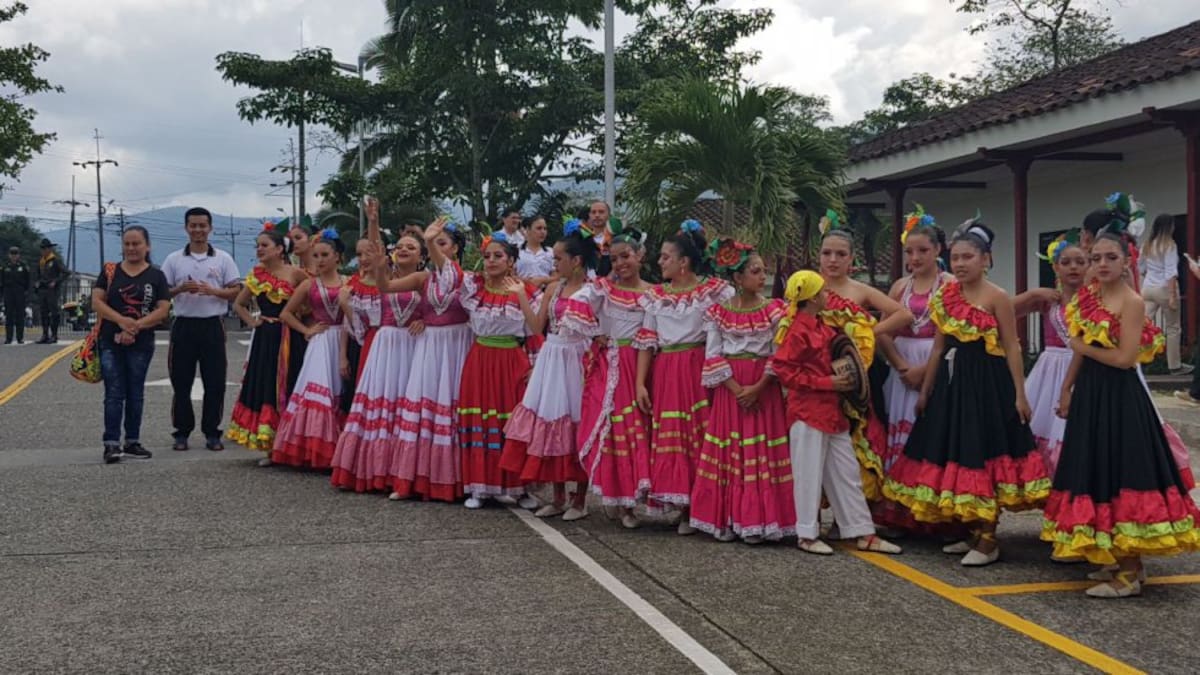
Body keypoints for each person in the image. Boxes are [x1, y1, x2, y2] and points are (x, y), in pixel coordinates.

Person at [1044, 232, 1200, 598]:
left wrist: (1080, 346)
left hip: (1120, 395)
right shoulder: (1089, 295)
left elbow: (1124, 358)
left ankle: (1130, 571)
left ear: (1126, 261)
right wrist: (1067, 387)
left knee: (1121, 469)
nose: (1101, 263)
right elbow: (1081, 350)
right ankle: (1122, 560)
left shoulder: (1132, 301)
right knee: (1098, 469)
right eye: (1095, 257)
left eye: (1110, 257)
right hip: (1091, 394)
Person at [883, 219, 1047, 567]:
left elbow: (1013, 347)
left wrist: (1021, 393)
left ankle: (989, 537)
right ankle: (972, 529)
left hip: (989, 384)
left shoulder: (997, 296)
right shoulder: (947, 295)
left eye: (968, 257)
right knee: (958, 451)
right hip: (952, 384)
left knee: (984, 452)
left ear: (985, 259)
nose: (960, 264)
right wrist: (927, 390)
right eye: (956, 258)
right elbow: (939, 346)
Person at [771, 271, 901, 556]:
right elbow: (783, 370)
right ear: (814, 298)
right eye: (823, 292)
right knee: (807, 474)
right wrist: (825, 382)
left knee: (847, 472)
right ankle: (806, 534)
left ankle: (862, 532)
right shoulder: (796, 330)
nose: (828, 296)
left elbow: (843, 350)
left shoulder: (822, 326)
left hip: (832, 411)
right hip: (807, 412)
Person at [689, 240, 794, 544]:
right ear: (737, 277)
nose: (763, 277)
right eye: (755, 271)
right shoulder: (718, 313)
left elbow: (779, 353)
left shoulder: (775, 310)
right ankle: (728, 518)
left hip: (763, 386)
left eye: (763, 271)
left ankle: (759, 520)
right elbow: (713, 354)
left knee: (761, 451)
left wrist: (758, 386)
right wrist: (737, 390)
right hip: (731, 388)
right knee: (731, 452)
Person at [634, 220, 734, 533]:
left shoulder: (713, 292)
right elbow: (647, 343)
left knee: (701, 435)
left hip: (697, 366)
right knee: (673, 434)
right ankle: (684, 505)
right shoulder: (656, 297)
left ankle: (704, 506)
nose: (660, 262)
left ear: (684, 262)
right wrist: (640, 383)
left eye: (665, 257)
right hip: (667, 371)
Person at [500, 221, 600, 520]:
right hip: (552, 356)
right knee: (550, 422)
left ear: (576, 261)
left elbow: (599, 331)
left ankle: (580, 499)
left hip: (578, 359)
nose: (553, 263)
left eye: (558, 259)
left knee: (575, 423)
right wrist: (520, 294)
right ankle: (558, 497)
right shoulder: (554, 288)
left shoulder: (594, 291)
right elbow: (536, 326)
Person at [815, 211, 913, 512]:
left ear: (851, 259)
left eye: (840, 254)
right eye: (827, 253)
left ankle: (854, 512)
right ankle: (813, 511)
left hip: (854, 375)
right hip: (816, 376)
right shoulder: (809, 287)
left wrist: (867, 332)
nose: (833, 259)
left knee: (855, 441)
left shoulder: (860, 290)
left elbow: (903, 314)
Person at [331, 218, 426, 492]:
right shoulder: (384, 276)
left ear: (421, 255)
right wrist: (373, 221)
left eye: (412, 247)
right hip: (385, 345)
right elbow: (375, 250)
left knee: (407, 407)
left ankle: (404, 473)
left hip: (413, 345)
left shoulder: (426, 280)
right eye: (401, 246)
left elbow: (443, 310)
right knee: (381, 405)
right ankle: (375, 471)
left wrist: (427, 322)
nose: (405, 249)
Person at [384, 217, 472, 502]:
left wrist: (430, 240)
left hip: (456, 346)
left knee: (450, 411)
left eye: (443, 243)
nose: (437, 247)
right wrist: (376, 248)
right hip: (430, 346)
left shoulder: (465, 277)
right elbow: (385, 286)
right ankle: (410, 480)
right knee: (423, 410)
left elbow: (449, 273)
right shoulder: (425, 278)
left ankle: (455, 481)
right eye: (435, 243)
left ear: (456, 248)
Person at [457, 231, 542, 509]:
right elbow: (447, 270)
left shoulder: (527, 291)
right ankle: (479, 488)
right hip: (480, 360)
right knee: (481, 422)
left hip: (511, 360)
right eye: (486, 257)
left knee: (513, 424)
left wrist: (536, 364)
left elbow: (536, 330)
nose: (491, 261)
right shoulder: (475, 287)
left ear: (511, 261)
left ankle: (519, 488)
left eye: (498, 256)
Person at [577, 228, 653, 528]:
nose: (621, 263)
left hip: (639, 366)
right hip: (609, 366)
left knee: (638, 431)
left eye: (626, 257)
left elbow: (651, 335)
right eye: (614, 258)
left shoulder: (652, 294)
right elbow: (580, 311)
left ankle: (633, 499)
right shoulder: (602, 290)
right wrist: (599, 336)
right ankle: (618, 499)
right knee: (611, 430)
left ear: (640, 256)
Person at [161, 207, 243, 452]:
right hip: (184, 324)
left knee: (215, 382)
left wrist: (214, 291)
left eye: (202, 226)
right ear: (186, 228)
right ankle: (181, 433)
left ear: (210, 228)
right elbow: (161, 292)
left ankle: (212, 432)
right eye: (193, 226)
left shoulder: (223, 258)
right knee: (181, 382)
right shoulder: (174, 259)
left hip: (212, 325)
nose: (198, 230)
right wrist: (179, 289)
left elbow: (237, 291)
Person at [90, 227, 171, 464]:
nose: (132, 248)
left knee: (136, 393)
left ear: (147, 246)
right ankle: (111, 443)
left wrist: (135, 327)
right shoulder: (109, 272)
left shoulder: (157, 276)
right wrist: (121, 322)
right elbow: (97, 301)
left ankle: (132, 441)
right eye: (127, 244)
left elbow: (163, 309)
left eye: (136, 243)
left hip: (141, 343)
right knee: (114, 393)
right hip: (109, 341)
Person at [271, 229, 347, 469]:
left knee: (340, 391)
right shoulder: (309, 284)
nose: (320, 260)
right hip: (320, 342)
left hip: (343, 340)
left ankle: (338, 450)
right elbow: (285, 313)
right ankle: (315, 451)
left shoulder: (349, 283)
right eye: (316, 255)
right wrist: (306, 331)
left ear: (337, 257)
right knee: (320, 392)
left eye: (325, 254)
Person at [227, 226, 306, 454]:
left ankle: (291, 443)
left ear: (280, 249)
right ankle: (270, 444)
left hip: (291, 336)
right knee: (266, 383)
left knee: (290, 380)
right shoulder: (257, 275)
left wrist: (300, 314)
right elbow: (239, 304)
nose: (259, 249)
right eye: (258, 245)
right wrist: (253, 323)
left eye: (265, 245)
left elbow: (310, 300)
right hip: (266, 336)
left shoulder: (295, 274)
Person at [1021, 232, 1088, 475]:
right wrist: (1033, 295)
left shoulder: (1094, 301)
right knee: (1046, 426)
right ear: (1055, 267)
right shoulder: (1048, 301)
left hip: (1083, 369)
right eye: (1066, 262)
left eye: (1080, 262)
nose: (1073, 268)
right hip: (1049, 372)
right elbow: (1002, 309)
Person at [1139, 214, 1190, 375]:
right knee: (1173, 327)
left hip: (1147, 288)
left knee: (1142, 326)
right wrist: (1173, 295)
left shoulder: (1147, 245)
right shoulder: (1169, 245)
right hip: (1164, 289)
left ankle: (1137, 360)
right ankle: (1174, 365)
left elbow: (1140, 268)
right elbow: (1170, 273)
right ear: (1169, 227)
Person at [35, 238, 64, 344]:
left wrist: (55, 281)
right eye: (42, 248)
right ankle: (45, 334)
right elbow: (38, 274)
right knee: (43, 313)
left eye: (46, 248)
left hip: (52, 290)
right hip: (42, 289)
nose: (44, 250)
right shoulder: (41, 261)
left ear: (50, 249)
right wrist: (37, 282)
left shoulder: (55, 260)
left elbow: (65, 273)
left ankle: (54, 335)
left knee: (54, 313)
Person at [515, 216, 555, 288]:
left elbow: (557, 276)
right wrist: (525, 281)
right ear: (528, 230)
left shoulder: (550, 252)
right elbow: (510, 275)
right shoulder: (517, 250)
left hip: (545, 292)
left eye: (545, 229)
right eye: (539, 228)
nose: (542, 232)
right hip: (521, 291)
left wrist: (543, 280)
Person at [2, 245, 30, 344]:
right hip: (8, 293)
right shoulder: (5, 267)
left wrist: (25, 292)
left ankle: (20, 338)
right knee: (9, 316)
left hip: (19, 293)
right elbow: (2, 281)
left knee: (20, 316)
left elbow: (27, 281)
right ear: (9, 255)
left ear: (18, 255)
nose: (14, 256)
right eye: (12, 254)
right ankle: (8, 338)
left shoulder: (23, 266)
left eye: (15, 254)